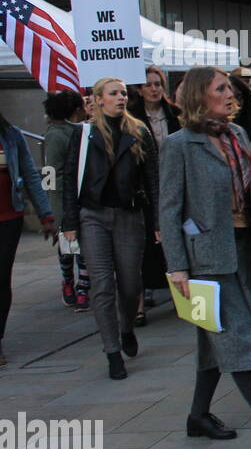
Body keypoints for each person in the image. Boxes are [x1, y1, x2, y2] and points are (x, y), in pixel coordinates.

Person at [158, 66, 251, 448]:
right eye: (221, 88)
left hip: (243, 249)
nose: (231, 94)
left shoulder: (238, 135)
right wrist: (177, 267)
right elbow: (169, 210)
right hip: (205, 259)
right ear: (200, 96)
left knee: (215, 339)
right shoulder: (178, 145)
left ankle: (197, 416)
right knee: (237, 337)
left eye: (231, 88)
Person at [62, 78, 160, 380]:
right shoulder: (83, 134)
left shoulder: (138, 131)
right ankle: (112, 351)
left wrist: (158, 221)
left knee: (131, 285)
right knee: (102, 285)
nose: (121, 98)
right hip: (93, 216)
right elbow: (69, 180)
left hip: (129, 216)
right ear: (98, 99)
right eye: (114, 94)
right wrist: (69, 222)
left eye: (124, 94)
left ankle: (127, 326)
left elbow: (153, 180)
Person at [0, 110, 56, 365]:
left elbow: (31, 175)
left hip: (8, 218)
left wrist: (46, 215)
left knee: (2, 279)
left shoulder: (11, 135)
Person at [129, 66, 182, 322]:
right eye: (148, 84)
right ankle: (138, 304)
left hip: (175, 184)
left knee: (175, 243)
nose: (153, 89)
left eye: (157, 84)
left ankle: (180, 295)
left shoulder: (175, 114)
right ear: (139, 89)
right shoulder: (132, 119)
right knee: (145, 247)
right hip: (146, 189)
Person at [43, 91, 90, 311]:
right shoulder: (56, 135)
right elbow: (51, 173)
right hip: (64, 198)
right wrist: (52, 206)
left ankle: (83, 285)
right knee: (68, 245)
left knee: (83, 246)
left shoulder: (80, 131)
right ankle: (68, 281)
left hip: (82, 195)